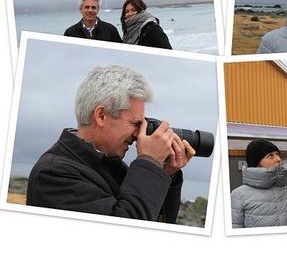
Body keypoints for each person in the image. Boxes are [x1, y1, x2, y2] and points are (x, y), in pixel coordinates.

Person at [27, 65, 194, 223]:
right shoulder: (53, 174)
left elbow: (158, 225)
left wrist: (165, 173)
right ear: (101, 116)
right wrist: (149, 162)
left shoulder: (109, 166)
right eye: (136, 123)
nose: (138, 134)